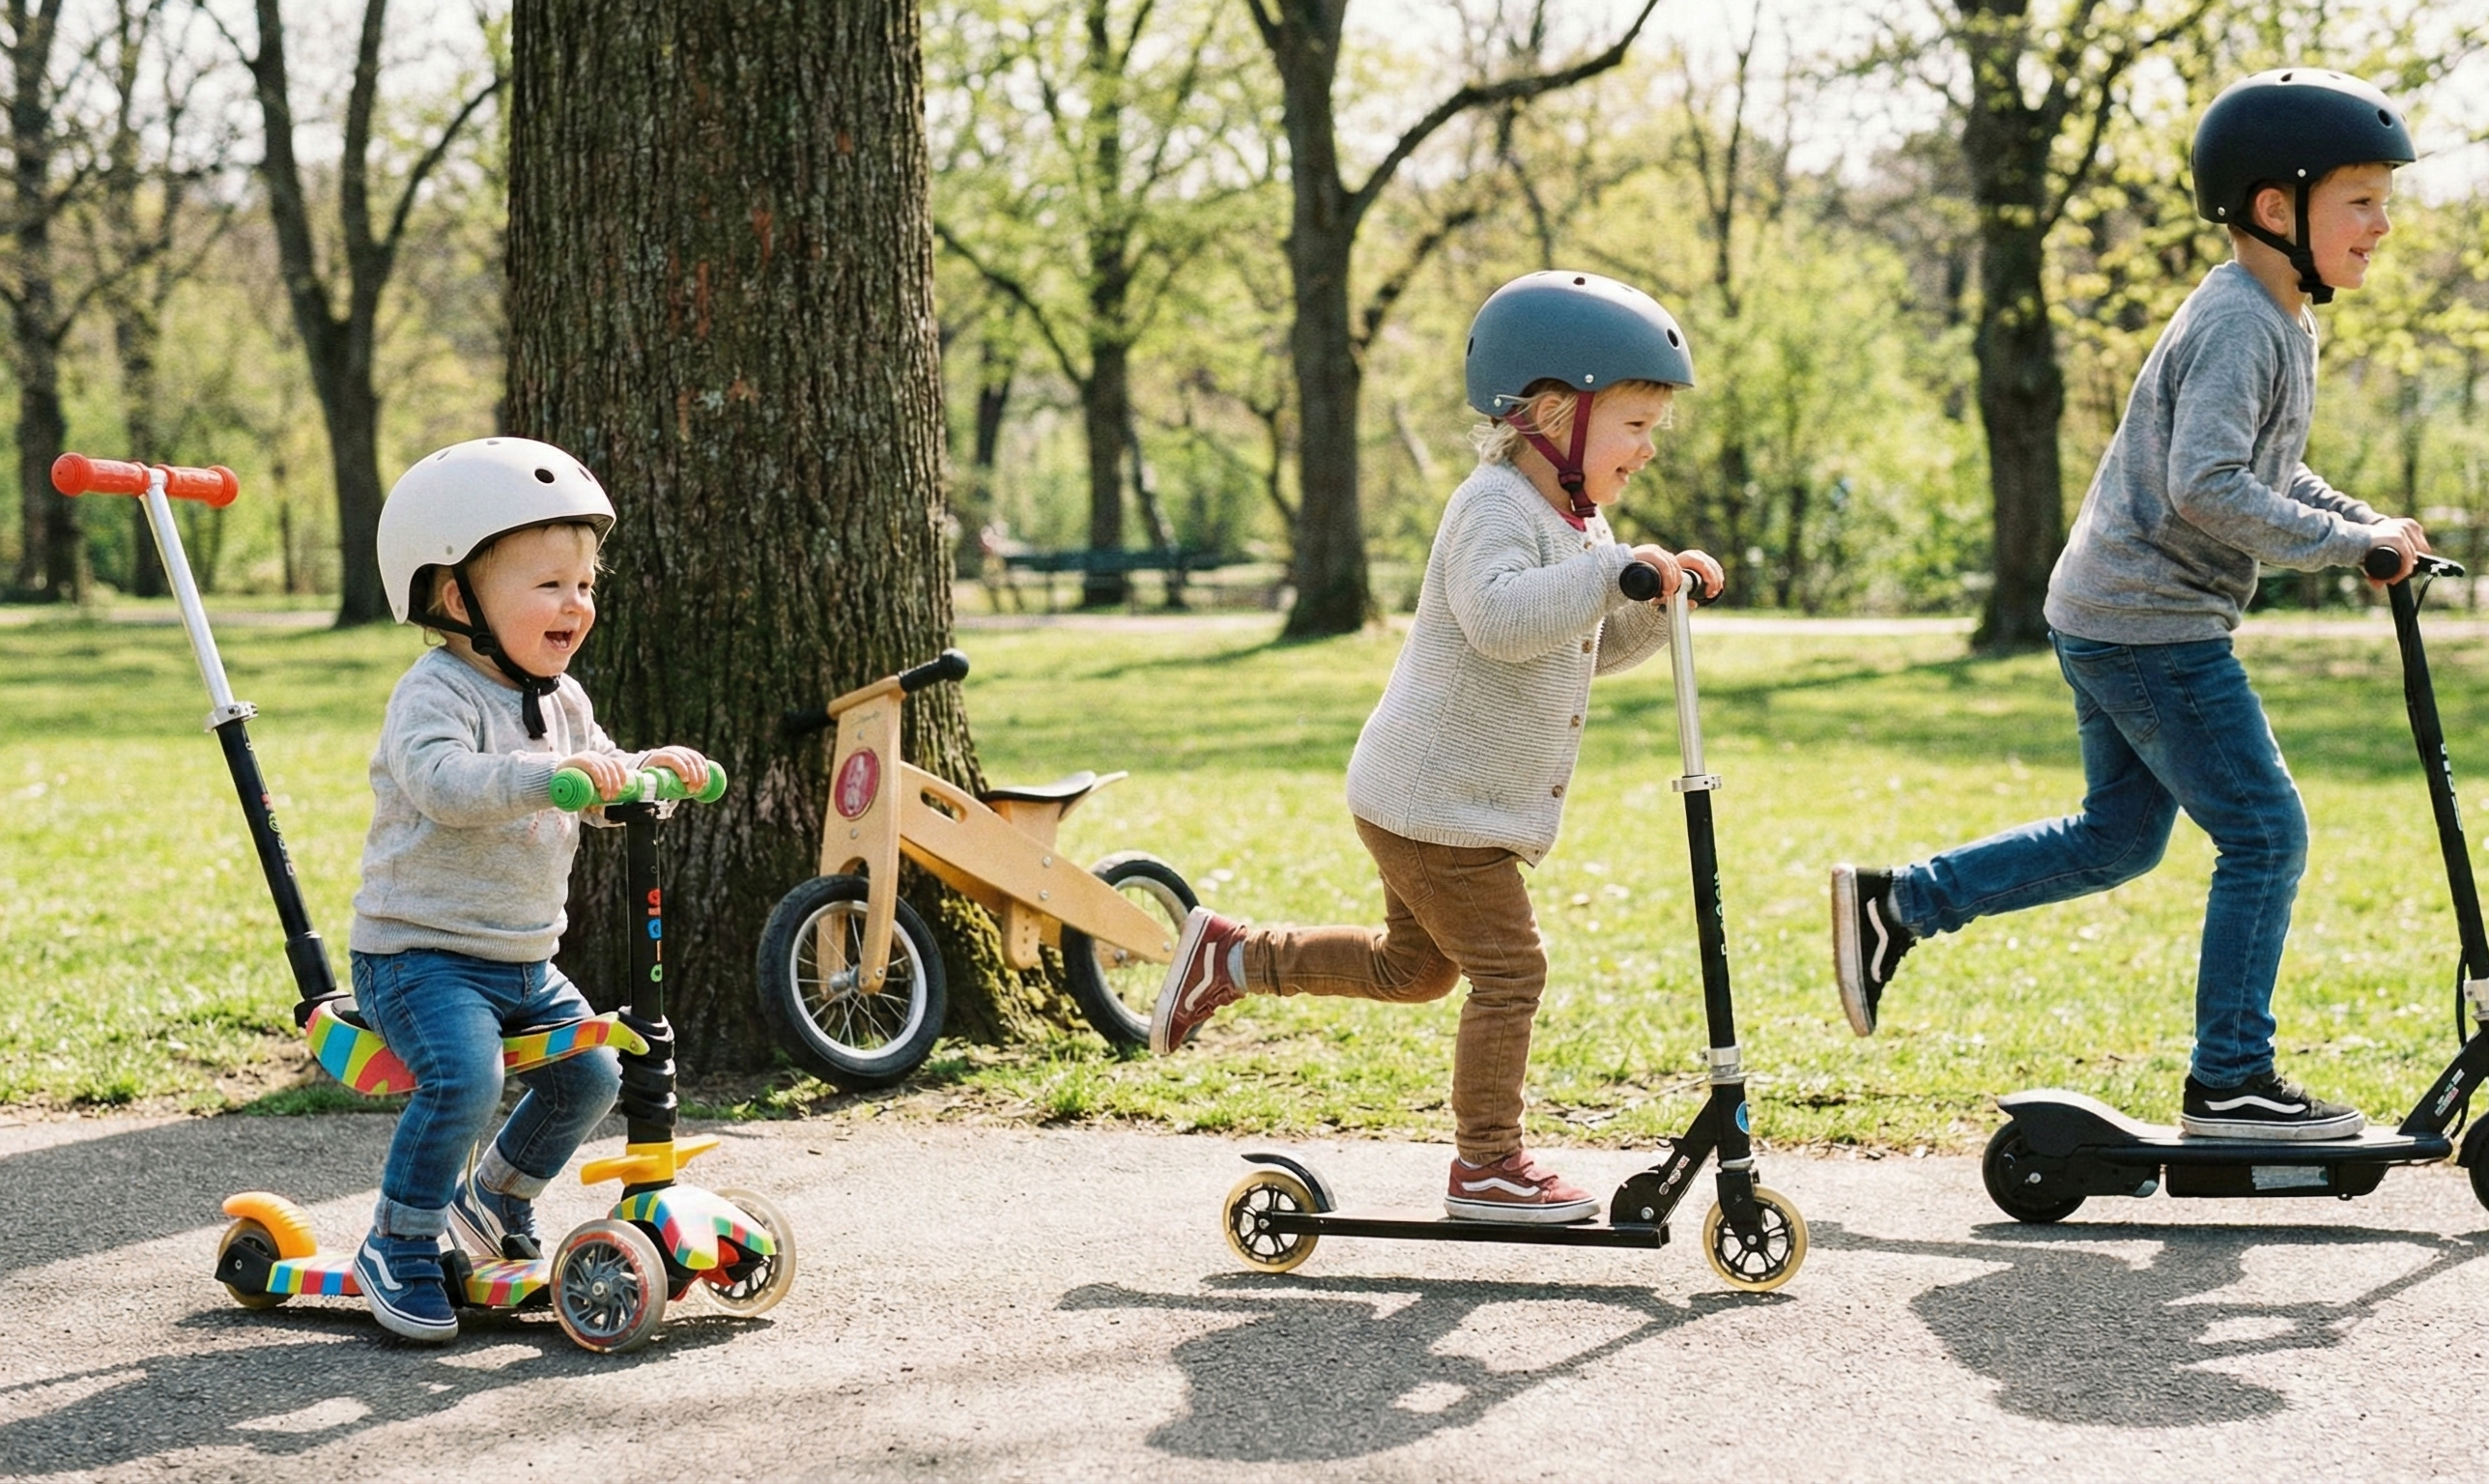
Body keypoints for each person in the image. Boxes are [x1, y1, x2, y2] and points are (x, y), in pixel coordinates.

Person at [1831, 69, 2430, 1142]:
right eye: (2361, 200)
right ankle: (2230, 1080)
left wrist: (2361, 520)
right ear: (2272, 207)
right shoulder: (2245, 322)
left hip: (2114, 611)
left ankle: (1898, 903)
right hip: (2150, 623)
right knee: (2263, 835)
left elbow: (2266, 470)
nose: (2381, 224)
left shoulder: (2278, 317)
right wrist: (2348, 547)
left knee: (2116, 839)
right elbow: (2207, 487)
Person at [1149, 271, 1723, 1222]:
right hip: (1434, 803)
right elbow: (1498, 619)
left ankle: (1230, 956)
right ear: (1551, 412)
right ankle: (1487, 1165)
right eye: (1633, 423)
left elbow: (1578, 644)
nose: (1648, 447)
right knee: (1511, 972)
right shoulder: (1492, 505)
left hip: (1445, 801)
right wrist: (1608, 575)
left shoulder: (1577, 518)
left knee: (1409, 971)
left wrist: (1652, 604)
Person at [348, 437, 711, 1341]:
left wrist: (639, 770)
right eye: (548, 584)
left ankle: (493, 1203)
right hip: (419, 956)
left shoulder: (563, 697)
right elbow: (445, 784)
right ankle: (397, 1239)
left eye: (585, 585)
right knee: (464, 1080)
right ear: (453, 594)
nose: (576, 604)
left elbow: (590, 782)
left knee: (588, 1076)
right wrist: (544, 777)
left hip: (522, 955)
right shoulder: (433, 693)